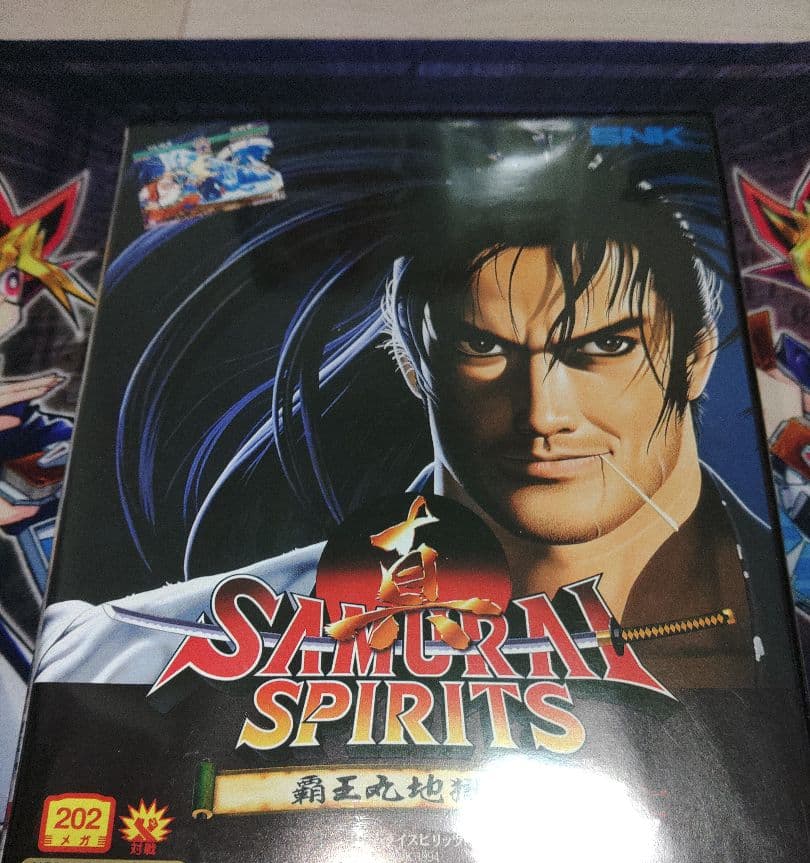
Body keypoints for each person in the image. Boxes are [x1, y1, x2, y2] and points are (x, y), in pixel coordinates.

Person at [34, 133, 787, 690]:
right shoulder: (137, 654)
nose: (543, 412)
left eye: (605, 346)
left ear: (696, 358)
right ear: (409, 360)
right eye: (482, 346)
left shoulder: (788, 622)